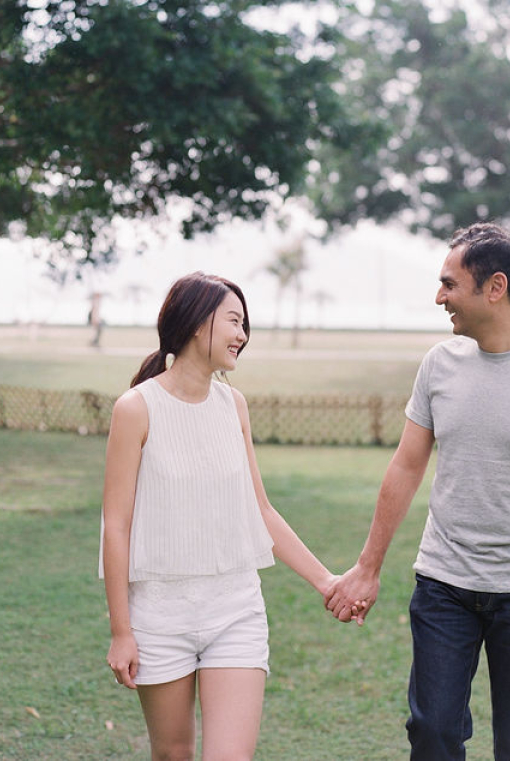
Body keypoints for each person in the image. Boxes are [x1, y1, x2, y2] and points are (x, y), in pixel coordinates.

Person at [325, 222, 510, 761]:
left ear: (495, 287)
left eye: (449, 284)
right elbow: (406, 467)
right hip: (445, 583)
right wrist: (368, 566)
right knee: (432, 731)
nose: (439, 297)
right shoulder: (439, 365)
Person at [100, 271, 339, 761]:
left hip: (235, 610)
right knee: (173, 753)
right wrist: (122, 632)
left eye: (244, 324)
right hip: (159, 616)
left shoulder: (234, 405)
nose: (242, 335)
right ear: (195, 323)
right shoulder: (136, 408)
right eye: (233, 321)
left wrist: (327, 582)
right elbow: (116, 527)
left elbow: (260, 510)